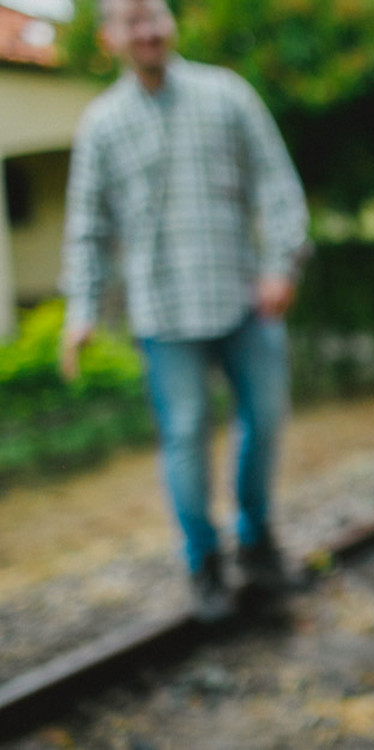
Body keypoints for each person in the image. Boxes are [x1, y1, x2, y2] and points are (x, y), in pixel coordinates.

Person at [59, 0, 310, 623]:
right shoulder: (101, 125)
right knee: (184, 438)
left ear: (171, 22)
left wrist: (283, 263)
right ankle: (203, 561)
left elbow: (277, 185)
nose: (147, 30)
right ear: (110, 36)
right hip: (163, 316)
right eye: (132, 20)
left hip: (244, 300)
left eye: (156, 15)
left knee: (267, 420)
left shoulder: (227, 94)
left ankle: (255, 540)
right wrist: (81, 310)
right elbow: (86, 227)